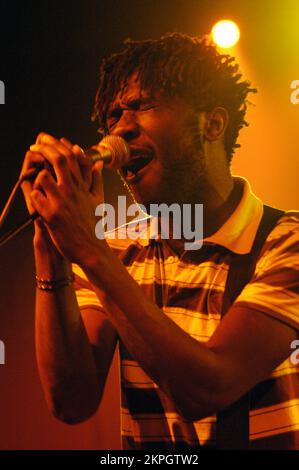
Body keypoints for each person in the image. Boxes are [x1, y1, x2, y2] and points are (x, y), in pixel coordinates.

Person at [20, 33, 299, 450]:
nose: (122, 128)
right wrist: (52, 251)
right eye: (114, 115)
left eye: (144, 105)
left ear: (213, 123)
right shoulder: (116, 250)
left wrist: (88, 249)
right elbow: (71, 402)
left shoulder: (286, 241)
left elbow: (208, 387)